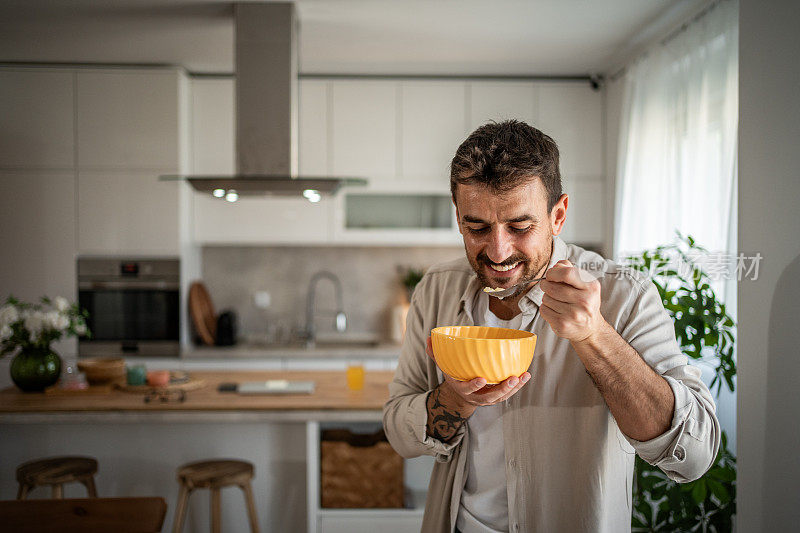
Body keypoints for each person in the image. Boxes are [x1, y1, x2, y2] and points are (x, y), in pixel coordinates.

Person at [382, 120, 720, 533]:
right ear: (458, 217)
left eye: (520, 228)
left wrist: (595, 337)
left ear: (557, 215)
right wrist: (455, 400)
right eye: (477, 228)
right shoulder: (435, 290)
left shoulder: (624, 295)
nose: (498, 251)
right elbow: (399, 430)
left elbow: (694, 453)